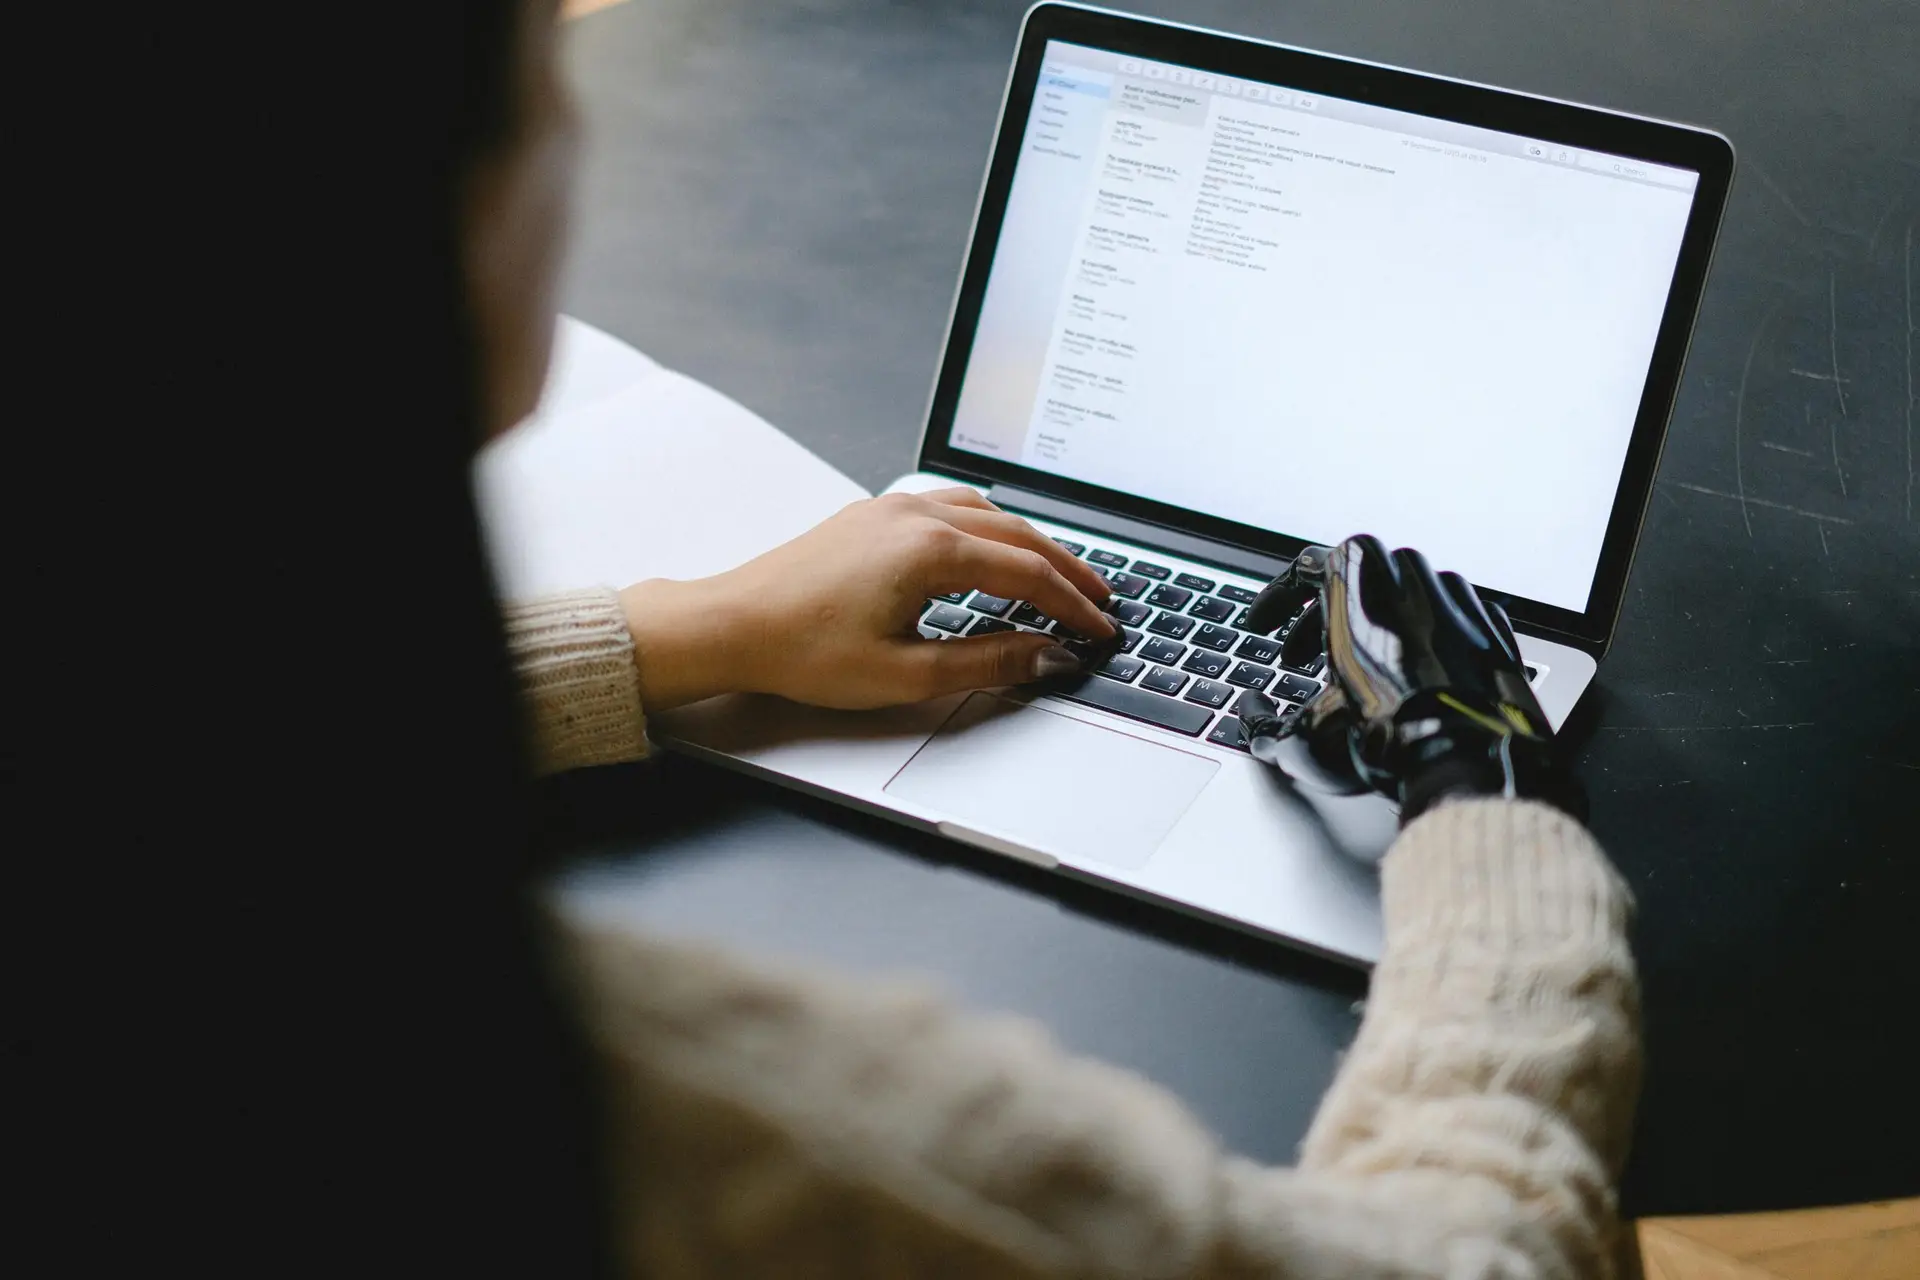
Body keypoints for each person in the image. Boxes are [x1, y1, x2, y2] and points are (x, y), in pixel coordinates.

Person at [444, 2, 1646, 1277]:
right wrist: (1482, 775)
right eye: (547, 81)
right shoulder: (737, 1132)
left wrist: (701, 627)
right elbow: (1483, 1254)